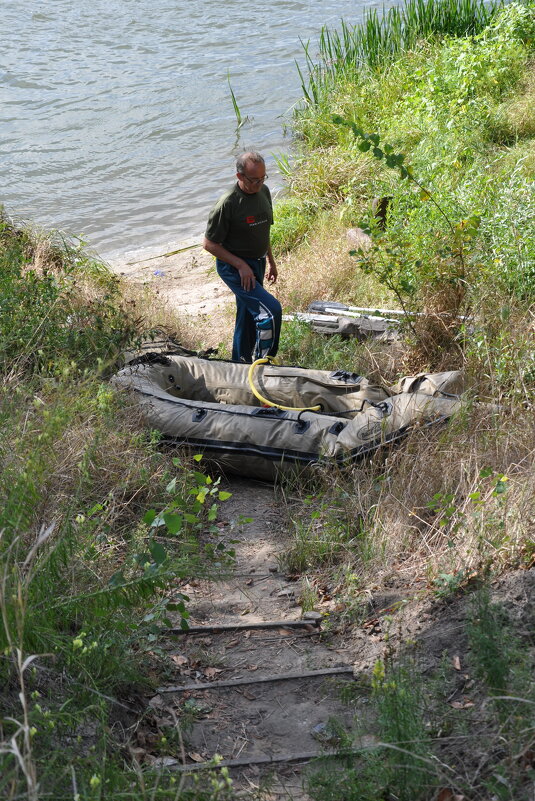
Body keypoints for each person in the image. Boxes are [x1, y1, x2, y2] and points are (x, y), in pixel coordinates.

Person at [203, 151, 282, 363]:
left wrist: (271, 262)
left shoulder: (264, 192)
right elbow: (209, 244)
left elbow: (263, 232)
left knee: (246, 317)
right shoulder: (227, 203)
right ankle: (264, 362)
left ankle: (240, 363)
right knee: (270, 312)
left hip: (257, 264)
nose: (259, 183)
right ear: (240, 177)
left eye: (263, 178)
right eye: (253, 179)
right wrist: (240, 265)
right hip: (235, 268)